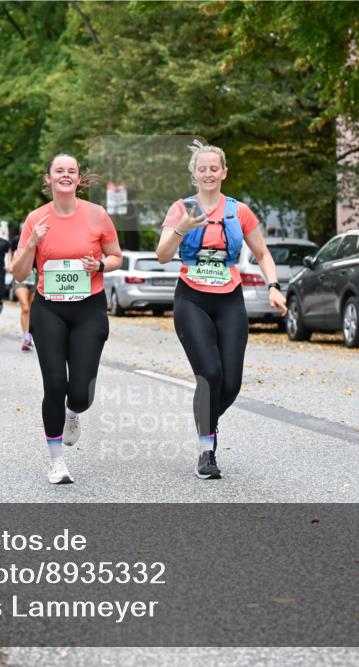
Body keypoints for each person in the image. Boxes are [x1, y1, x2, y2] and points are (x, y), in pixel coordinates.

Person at [155, 141, 287, 480]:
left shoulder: (239, 211)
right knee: (210, 374)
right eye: (203, 169)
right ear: (194, 174)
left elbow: (263, 254)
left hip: (230, 299)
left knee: (231, 383)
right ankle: (206, 450)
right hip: (192, 299)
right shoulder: (181, 208)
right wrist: (182, 228)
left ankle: (205, 420)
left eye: (215, 168)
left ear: (224, 172)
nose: (209, 173)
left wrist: (273, 286)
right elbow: (163, 254)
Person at [12, 154, 122, 485]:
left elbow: (116, 256)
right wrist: (32, 241)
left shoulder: (96, 215)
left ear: (78, 178)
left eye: (71, 171)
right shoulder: (35, 218)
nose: (65, 175)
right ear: (49, 178)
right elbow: (18, 273)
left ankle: (74, 413)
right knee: (55, 384)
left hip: (88, 307)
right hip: (49, 309)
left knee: (80, 393)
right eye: (59, 170)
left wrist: (100, 266)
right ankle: (56, 461)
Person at [10, 233, 35, 351]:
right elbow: (11, 251)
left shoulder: (42, 236)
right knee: (25, 307)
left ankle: (32, 334)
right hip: (21, 277)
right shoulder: (17, 239)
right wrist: (10, 264)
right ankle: (26, 337)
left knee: (33, 308)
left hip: (36, 276)